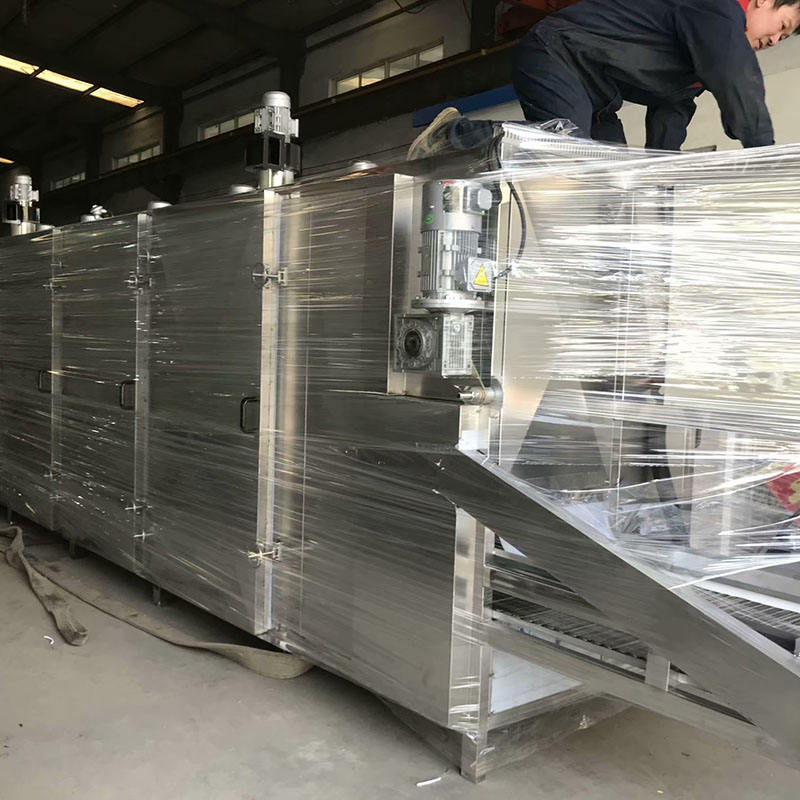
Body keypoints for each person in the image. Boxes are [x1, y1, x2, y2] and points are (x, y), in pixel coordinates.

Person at [408, 0, 800, 158]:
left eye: (783, 39)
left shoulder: (703, 60)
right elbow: (735, 78)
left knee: (610, 173)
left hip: (595, 95)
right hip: (557, 53)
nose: (773, 40)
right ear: (763, 1)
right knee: (568, 150)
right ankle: (452, 135)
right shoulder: (717, 11)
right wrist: (764, 154)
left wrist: (661, 180)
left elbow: (672, 110)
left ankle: (609, 282)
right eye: (781, 26)